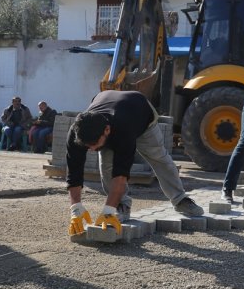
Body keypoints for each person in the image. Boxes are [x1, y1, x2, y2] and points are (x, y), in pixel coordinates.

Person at [66, 90, 203, 236]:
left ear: (106, 130)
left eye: (94, 144)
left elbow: (121, 174)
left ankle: (180, 199)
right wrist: (76, 208)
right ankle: (121, 205)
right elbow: (73, 172)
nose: (92, 149)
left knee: (158, 157)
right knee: (106, 165)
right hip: (113, 111)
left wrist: (107, 211)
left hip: (140, 114)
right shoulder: (78, 133)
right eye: (88, 146)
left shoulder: (124, 129)